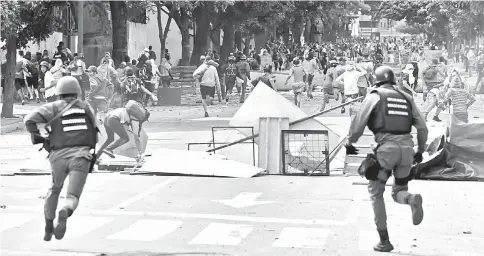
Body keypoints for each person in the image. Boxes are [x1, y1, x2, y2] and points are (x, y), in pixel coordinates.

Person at [345, 65, 428, 253]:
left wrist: (350, 141)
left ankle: (384, 241)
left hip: (386, 149)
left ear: (377, 79)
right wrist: (420, 150)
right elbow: (422, 127)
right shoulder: (407, 97)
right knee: (398, 190)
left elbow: (359, 122)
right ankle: (410, 198)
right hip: (407, 149)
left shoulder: (375, 95)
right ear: (393, 80)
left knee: (376, 192)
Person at [23, 76, 98, 241]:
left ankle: (48, 227)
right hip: (82, 155)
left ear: (58, 93)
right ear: (78, 92)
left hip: (58, 156)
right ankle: (65, 210)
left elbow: (28, 120)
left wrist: (40, 136)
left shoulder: (52, 107)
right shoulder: (86, 108)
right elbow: (95, 131)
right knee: (72, 196)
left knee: (55, 189)